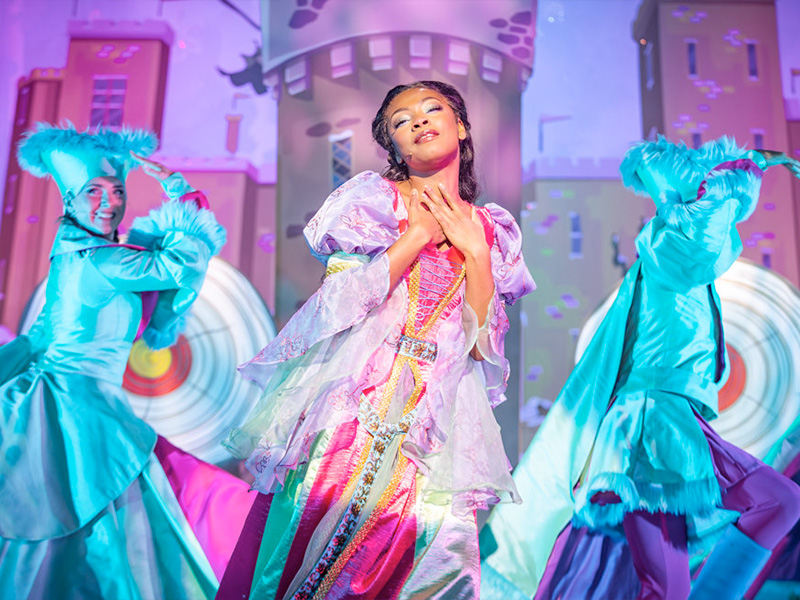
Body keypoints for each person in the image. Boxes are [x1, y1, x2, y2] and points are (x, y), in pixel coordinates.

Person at [217, 80, 535, 600]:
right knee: (320, 544)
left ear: (461, 126)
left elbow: (481, 350)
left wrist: (476, 254)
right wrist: (416, 235)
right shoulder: (373, 203)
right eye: (401, 121)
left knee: (432, 561)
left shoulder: (491, 230)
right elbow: (337, 305)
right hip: (357, 406)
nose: (419, 121)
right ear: (394, 146)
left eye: (432, 109)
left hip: (434, 423)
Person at [479, 136, 800, 600]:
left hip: (672, 423)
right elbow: (704, 229)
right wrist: (743, 172)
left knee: (767, 510)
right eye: (721, 209)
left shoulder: (680, 263)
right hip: (650, 427)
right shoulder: (671, 250)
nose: (727, 227)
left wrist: (747, 167)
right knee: (687, 570)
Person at [0, 123, 254, 599]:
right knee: (120, 523)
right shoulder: (103, 262)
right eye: (93, 191)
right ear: (70, 200)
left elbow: (38, 336)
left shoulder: (70, 260)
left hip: (67, 405)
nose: (109, 202)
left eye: (117, 190)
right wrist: (181, 193)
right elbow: (180, 263)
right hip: (76, 410)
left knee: (77, 528)